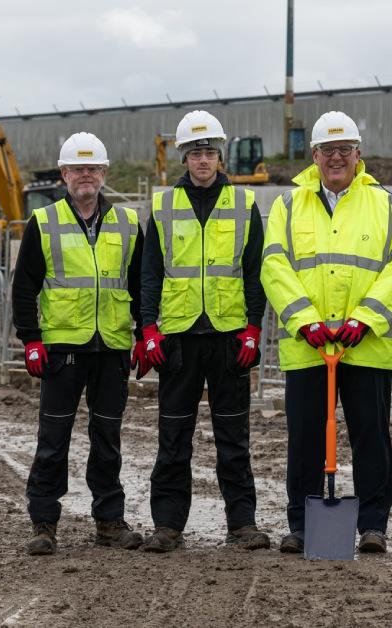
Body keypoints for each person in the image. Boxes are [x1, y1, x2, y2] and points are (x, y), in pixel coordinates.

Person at [262, 111, 392, 555]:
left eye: (344, 150)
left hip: (364, 345)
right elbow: (274, 265)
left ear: (358, 154)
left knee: (371, 436)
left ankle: (372, 525)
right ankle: (302, 524)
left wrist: (365, 319)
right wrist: (303, 319)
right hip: (308, 346)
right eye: (328, 150)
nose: (336, 158)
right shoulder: (288, 206)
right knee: (305, 438)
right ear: (314, 155)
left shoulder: (386, 204)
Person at [136, 111, 269, 552]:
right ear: (184, 158)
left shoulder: (244, 204)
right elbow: (150, 273)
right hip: (178, 338)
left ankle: (242, 524)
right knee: (173, 437)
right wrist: (148, 329)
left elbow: (255, 272)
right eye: (195, 153)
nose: (203, 161)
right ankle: (168, 525)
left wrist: (253, 327)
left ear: (220, 156)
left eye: (210, 152)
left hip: (229, 337)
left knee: (234, 438)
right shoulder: (162, 206)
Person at [12, 132, 144, 555]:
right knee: (54, 438)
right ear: (64, 174)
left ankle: (109, 521)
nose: (85, 176)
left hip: (111, 348)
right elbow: (24, 286)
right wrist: (31, 340)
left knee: (108, 438)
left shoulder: (126, 223)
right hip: (62, 348)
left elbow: (140, 285)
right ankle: (44, 523)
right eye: (77, 169)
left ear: (103, 174)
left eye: (93, 168)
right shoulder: (44, 221)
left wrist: (146, 331)